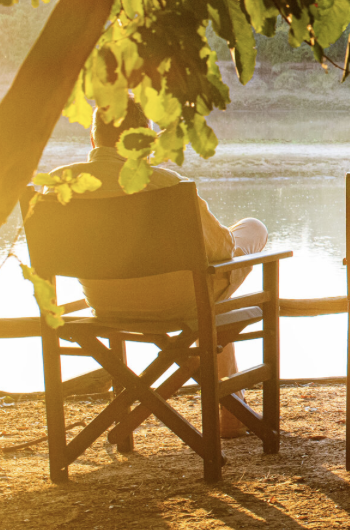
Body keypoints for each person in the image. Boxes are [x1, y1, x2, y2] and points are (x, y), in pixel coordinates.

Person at [43, 98, 268, 439]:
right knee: (250, 232)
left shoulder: (57, 184)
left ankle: (227, 408)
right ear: (145, 141)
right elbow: (221, 250)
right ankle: (232, 410)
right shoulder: (167, 185)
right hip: (178, 304)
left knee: (210, 294)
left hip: (102, 303)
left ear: (93, 139)